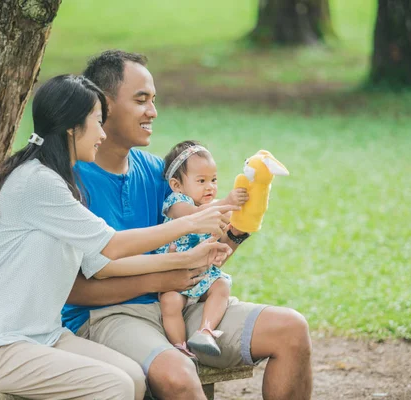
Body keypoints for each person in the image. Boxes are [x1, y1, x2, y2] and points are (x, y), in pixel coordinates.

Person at [0, 75, 235, 400]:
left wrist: (185, 260)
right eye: (97, 123)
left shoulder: (61, 185)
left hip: (44, 337)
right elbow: (113, 244)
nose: (103, 134)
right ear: (72, 128)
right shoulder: (36, 182)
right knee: (113, 386)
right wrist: (191, 223)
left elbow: (102, 262)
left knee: (133, 378)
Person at [62, 50, 313, 400]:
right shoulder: (68, 180)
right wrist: (163, 280)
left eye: (154, 100)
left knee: (291, 329)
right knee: (179, 375)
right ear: (103, 104)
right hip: (107, 317)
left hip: (182, 304)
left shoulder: (156, 171)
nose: (153, 111)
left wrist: (237, 229)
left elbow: (201, 252)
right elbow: (73, 291)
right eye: (141, 100)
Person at [155, 140, 248, 358]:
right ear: (177, 185)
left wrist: (245, 210)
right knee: (169, 303)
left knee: (222, 285)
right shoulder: (176, 202)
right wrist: (225, 202)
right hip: (174, 277)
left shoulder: (213, 205)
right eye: (201, 180)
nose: (210, 187)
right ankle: (180, 347)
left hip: (202, 276)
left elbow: (231, 225)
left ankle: (205, 330)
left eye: (214, 180)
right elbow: (194, 216)